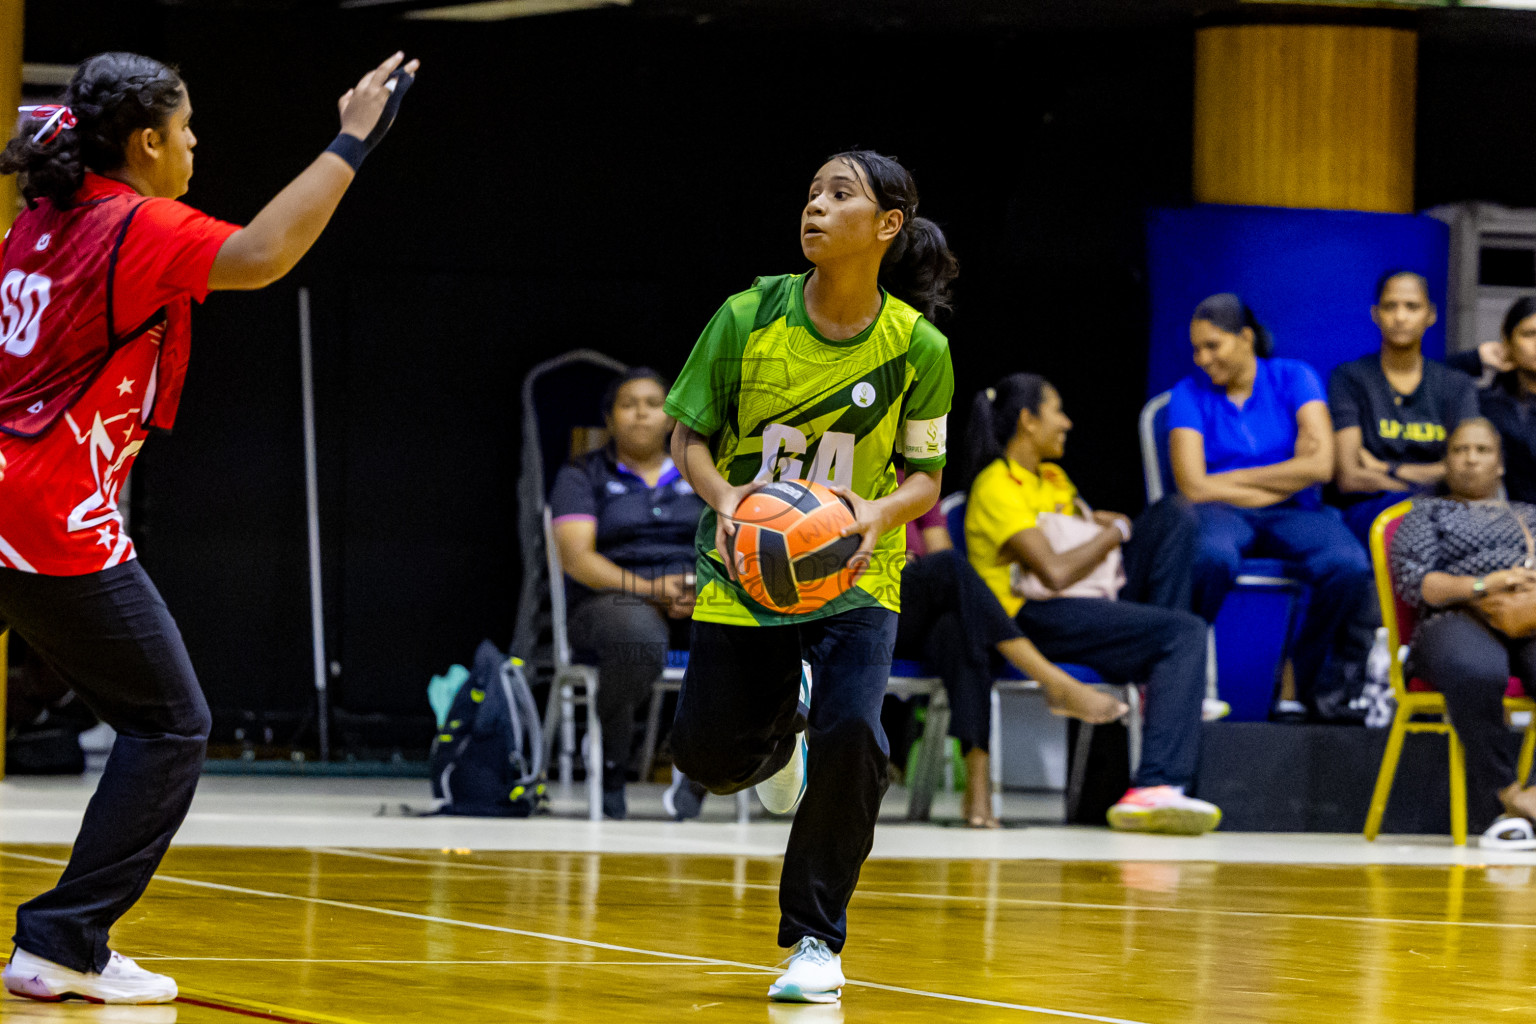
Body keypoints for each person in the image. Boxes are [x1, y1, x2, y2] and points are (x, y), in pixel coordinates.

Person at [0, 51, 418, 1004]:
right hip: (46, 512)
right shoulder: (131, 223)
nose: (196, 145)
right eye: (186, 130)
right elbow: (265, 252)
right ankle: (64, 940)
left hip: (3, 493)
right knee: (170, 723)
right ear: (147, 142)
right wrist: (354, 136)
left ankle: (67, 936)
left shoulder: (42, 218)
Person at [665, 150, 955, 1004]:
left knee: (856, 737)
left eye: (840, 195)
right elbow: (689, 435)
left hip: (859, 572)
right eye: (812, 195)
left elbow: (926, 478)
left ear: (887, 227)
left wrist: (876, 515)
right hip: (743, 566)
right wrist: (723, 498)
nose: (816, 208)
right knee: (709, 759)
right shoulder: (747, 314)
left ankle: (815, 942)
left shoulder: (918, 346)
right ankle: (779, 730)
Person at [964, 373, 1220, 836]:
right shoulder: (996, 486)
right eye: (1057, 410)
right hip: (1030, 618)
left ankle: (1157, 685)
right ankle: (1155, 786)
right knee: (1185, 633)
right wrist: (1113, 532)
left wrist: (1104, 528)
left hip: (1080, 601)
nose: (1067, 422)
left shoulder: (1055, 477)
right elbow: (1055, 572)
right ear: (1028, 420)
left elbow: (1082, 545)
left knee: (1174, 515)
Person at [1171, 293, 1376, 721]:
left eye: (1213, 346)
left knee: (1348, 564)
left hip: (1296, 512)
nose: (1202, 359)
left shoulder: (1294, 377)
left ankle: (1295, 679)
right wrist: (1285, 474)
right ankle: (1183, 678)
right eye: (1196, 349)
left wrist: (1222, 482)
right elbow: (1191, 486)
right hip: (1221, 513)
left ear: (1245, 337)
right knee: (1209, 557)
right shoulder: (1188, 395)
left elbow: (1321, 466)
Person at [895, 495, 1126, 829]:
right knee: (949, 566)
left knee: (958, 628)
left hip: (917, 610)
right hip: (864, 603)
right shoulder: (850, 465)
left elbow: (936, 545)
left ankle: (978, 786)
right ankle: (1053, 682)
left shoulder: (917, 482)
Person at [549, 367, 706, 821]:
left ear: (673, 417)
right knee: (636, 638)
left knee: (741, 633)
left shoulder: (699, 472)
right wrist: (649, 590)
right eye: (628, 404)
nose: (642, 413)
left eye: (654, 404)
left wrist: (701, 588)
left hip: (695, 592)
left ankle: (699, 769)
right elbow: (577, 558)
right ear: (610, 418)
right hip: (610, 600)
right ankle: (613, 763)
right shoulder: (582, 475)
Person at [1389, 419, 1536, 848]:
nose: (1470, 459)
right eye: (1459, 450)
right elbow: (1415, 584)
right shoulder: (1425, 513)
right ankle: (1506, 797)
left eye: (1482, 450)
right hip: (1454, 617)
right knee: (1477, 670)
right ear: (1445, 460)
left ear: (1501, 464)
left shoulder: (1529, 514)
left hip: (1526, 615)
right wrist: (1482, 586)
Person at [1329, 271, 1478, 544]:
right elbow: (1349, 477)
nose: (1400, 316)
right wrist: (1432, 478)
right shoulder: (1349, 377)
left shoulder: (1456, 385)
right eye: (1390, 306)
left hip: (1447, 512)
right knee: (1418, 523)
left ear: (1430, 315)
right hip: (1371, 511)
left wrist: (1387, 468)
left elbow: (1465, 471)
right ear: (1375, 314)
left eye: (1412, 306)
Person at [1447, 296, 1536, 505]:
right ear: (1507, 342)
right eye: (1530, 334)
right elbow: (1425, 379)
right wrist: (1476, 359)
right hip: (1495, 520)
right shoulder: (1483, 403)